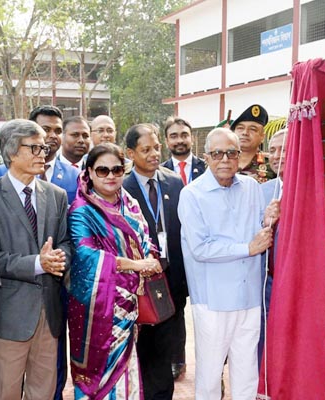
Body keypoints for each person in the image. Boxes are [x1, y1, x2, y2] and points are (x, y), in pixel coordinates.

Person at [178, 128, 279, 400]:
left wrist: (268, 216)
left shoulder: (251, 187)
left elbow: (260, 227)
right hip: (213, 300)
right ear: (206, 157)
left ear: (239, 155)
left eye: (231, 153)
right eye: (217, 153)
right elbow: (200, 248)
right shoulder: (192, 195)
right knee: (210, 378)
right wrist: (247, 248)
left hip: (248, 297)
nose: (225, 159)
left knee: (247, 374)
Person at [0, 119, 72, 400]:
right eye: (34, 148)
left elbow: (66, 242)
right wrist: (37, 264)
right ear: (11, 152)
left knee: (43, 390)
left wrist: (59, 257)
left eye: (44, 147)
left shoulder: (57, 196)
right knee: (4, 391)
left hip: (49, 312)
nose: (42, 153)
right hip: (9, 315)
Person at [68, 142, 162, 399]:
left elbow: (145, 239)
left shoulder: (129, 203)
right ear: (89, 172)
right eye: (102, 170)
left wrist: (151, 256)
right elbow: (86, 255)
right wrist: (135, 265)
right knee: (100, 378)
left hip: (131, 303)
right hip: (100, 308)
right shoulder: (82, 210)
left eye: (117, 170)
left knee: (128, 370)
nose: (110, 176)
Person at [123, 124, 187, 399]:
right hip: (135, 286)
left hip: (170, 282)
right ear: (130, 153)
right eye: (145, 150)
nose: (153, 154)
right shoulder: (120, 186)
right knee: (140, 356)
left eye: (156, 148)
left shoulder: (173, 182)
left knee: (164, 355)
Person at [0, 106, 78, 205]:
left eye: (58, 131)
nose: (53, 135)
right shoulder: (4, 171)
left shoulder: (74, 174)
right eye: (46, 129)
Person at [258, 128, 286, 366]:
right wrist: (264, 222)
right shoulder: (264, 190)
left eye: (284, 149)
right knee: (262, 347)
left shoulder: (311, 190)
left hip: (293, 285)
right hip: (266, 281)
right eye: (273, 150)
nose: (277, 155)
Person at [231, 104, 275, 183]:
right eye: (240, 128)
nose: (245, 133)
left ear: (262, 137)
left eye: (252, 129)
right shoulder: (221, 161)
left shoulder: (272, 164)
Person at [162, 117, 206, 186]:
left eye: (184, 136)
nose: (180, 141)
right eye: (174, 137)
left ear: (192, 139)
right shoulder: (161, 171)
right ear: (166, 141)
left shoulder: (206, 167)